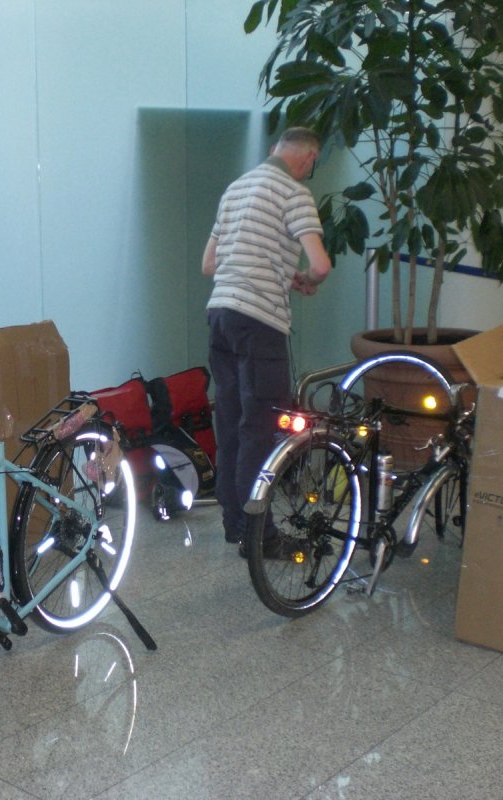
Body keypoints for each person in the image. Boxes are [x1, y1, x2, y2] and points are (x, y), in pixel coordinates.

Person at [201, 127, 332, 557]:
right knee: (260, 431)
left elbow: (209, 264)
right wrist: (304, 281)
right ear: (309, 158)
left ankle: (236, 525)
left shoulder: (236, 189)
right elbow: (320, 264)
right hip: (260, 324)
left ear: (274, 149)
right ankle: (261, 539)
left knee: (232, 428)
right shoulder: (294, 194)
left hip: (220, 315)